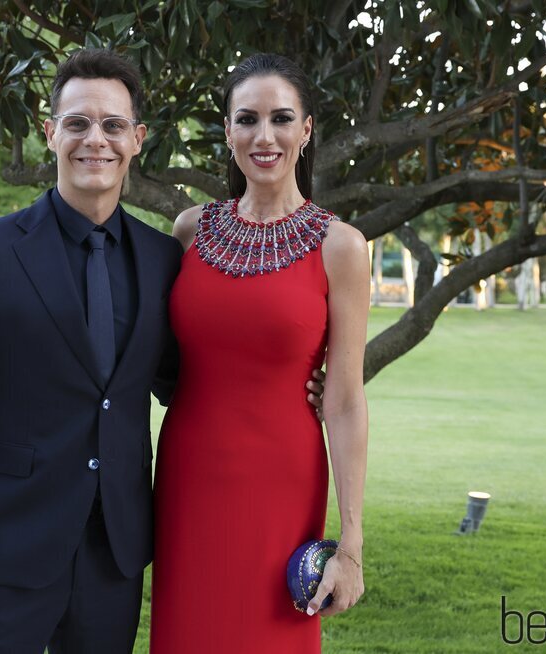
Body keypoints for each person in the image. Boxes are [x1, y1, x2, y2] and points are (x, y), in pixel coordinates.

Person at [0, 48, 324, 653]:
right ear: (50, 134)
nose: (93, 140)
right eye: (77, 123)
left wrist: (299, 379)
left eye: (112, 125)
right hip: (2, 553)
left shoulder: (161, 261)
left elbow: (194, 376)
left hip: (114, 558)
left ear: (137, 140)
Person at [150, 53, 371, 654]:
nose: (264, 136)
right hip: (188, 475)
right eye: (247, 119)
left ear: (307, 129)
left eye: (281, 118)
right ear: (227, 132)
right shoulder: (190, 231)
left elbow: (347, 401)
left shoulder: (342, 247)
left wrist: (349, 546)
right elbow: (162, 362)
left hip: (284, 480)